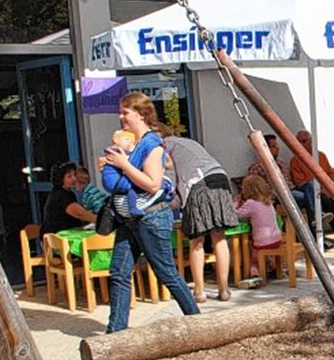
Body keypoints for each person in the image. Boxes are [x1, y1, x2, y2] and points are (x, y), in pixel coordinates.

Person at [100, 92, 199, 333]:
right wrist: (110, 165)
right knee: (119, 273)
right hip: (129, 219)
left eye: (125, 112)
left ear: (142, 114)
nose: (120, 116)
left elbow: (153, 183)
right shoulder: (133, 145)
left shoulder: (152, 144)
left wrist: (123, 166)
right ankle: (116, 332)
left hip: (151, 218)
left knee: (165, 271)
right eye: (120, 112)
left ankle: (197, 322)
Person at [161, 126, 238, 302]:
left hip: (198, 183)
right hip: (219, 178)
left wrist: (168, 201)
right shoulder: (187, 142)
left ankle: (199, 291)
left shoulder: (165, 146)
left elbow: (171, 177)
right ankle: (224, 289)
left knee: (197, 239)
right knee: (219, 237)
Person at [290, 130, 334, 244]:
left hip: (328, 188)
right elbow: (300, 183)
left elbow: (330, 173)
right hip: (315, 191)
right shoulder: (295, 160)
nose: (301, 145)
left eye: (304, 141)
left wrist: (332, 188)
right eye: (299, 142)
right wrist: (321, 189)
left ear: (311, 141)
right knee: (326, 202)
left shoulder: (321, 155)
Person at [234, 174, 283, 279]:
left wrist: (235, 203)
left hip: (262, 242)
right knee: (264, 247)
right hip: (277, 238)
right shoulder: (267, 201)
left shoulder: (250, 203)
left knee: (254, 254)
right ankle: (272, 267)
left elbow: (237, 215)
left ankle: (254, 273)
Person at [41, 162, 96, 235]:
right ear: (61, 179)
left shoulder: (66, 193)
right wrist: (103, 220)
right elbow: (81, 214)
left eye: (74, 175)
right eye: (69, 176)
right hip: (60, 239)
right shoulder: (61, 196)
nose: (74, 179)